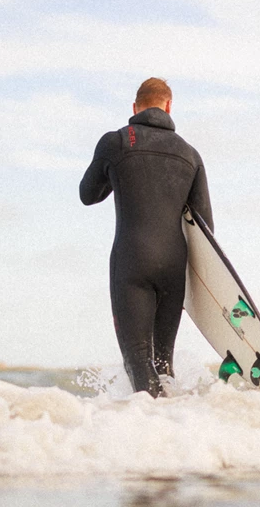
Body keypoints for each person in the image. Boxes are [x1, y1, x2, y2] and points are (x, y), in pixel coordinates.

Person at [80, 77, 213, 398]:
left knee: (139, 361)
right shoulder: (190, 154)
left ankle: (148, 436)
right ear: (169, 106)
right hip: (174, 267)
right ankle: (173, 430)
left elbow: (88, 194)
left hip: (133, 261)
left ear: (135, 107)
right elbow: (205, 227)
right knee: (163, 364)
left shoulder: (116, 142)